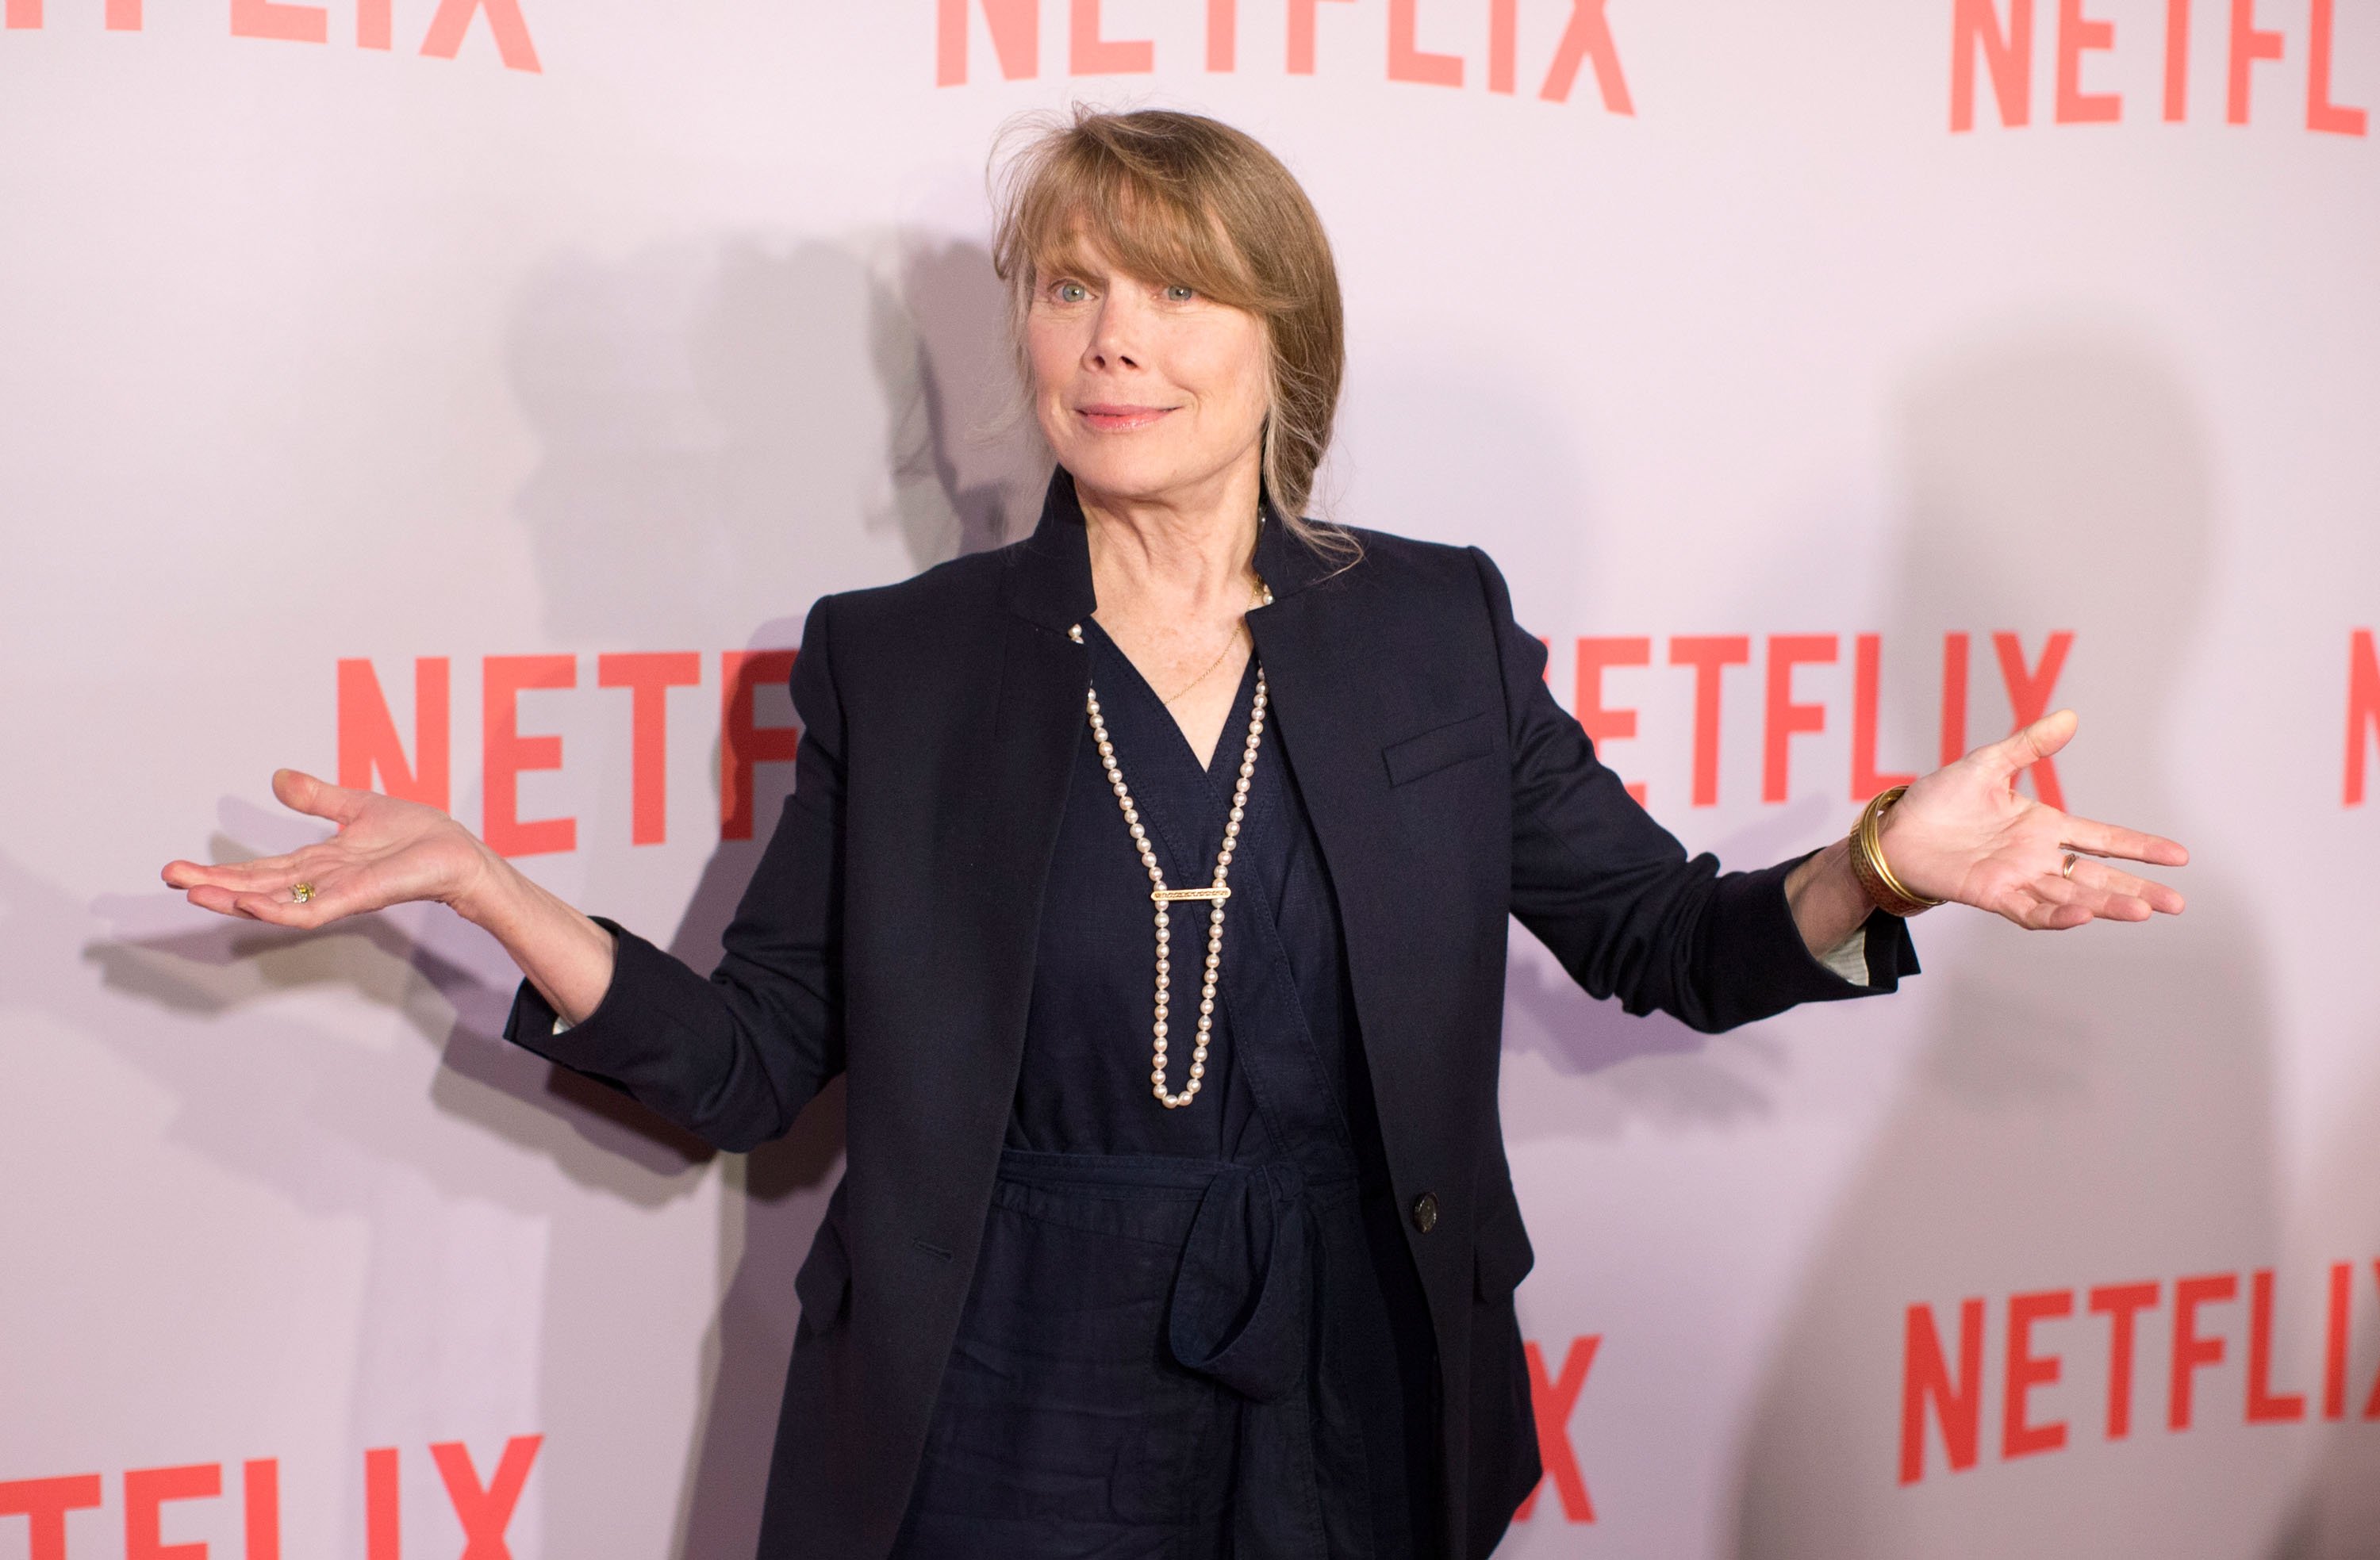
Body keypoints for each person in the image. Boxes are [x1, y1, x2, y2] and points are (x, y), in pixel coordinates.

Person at [161, 108, 2187, 1560]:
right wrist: (487, 888)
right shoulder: (905, 661)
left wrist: (1888, 865)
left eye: (1177, 289)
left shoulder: (1428, 627)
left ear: (1280, 339)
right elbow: (753, 1066)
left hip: (1356, 1369)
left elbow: (1667, 937)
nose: (1114, 336)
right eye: (1069, 287)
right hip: (996, 1372)